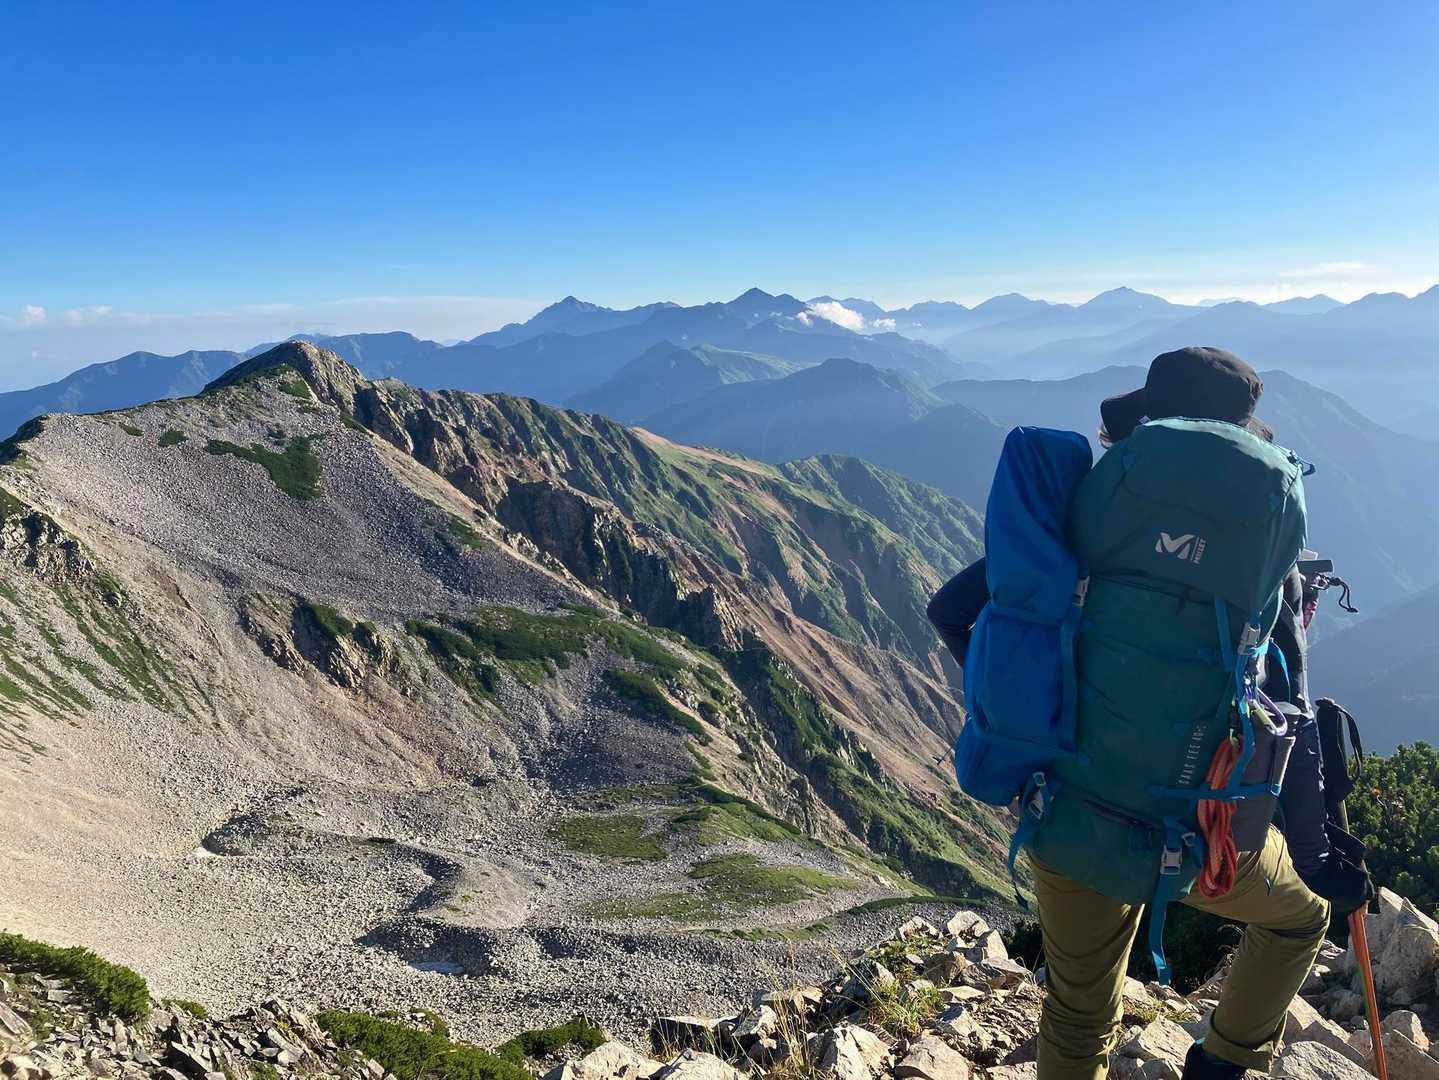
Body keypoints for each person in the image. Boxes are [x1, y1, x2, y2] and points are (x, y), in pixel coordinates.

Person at [930, 348, 1331, 1080]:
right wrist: (1317, 847)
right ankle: (1222, 1064)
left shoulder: (1083, 517)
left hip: (1071, 816)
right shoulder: (1259, 561)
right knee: (1301, 921)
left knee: (1079, 1017)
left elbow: (951, 610)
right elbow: (1289, 719)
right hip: (1203, 834)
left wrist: (1026, 709)